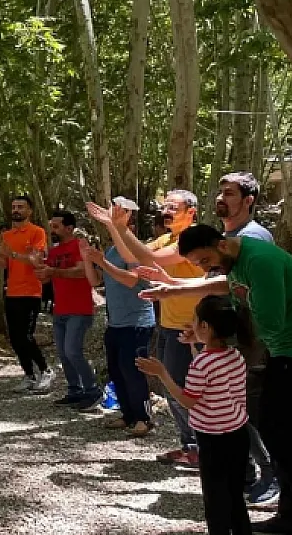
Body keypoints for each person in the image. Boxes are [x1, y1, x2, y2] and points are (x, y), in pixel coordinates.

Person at [141, 225, 292, 535]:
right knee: (279, 435)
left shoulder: (260, 261)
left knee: (281, 436)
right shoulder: (237, 261)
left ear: (222, 245)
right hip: (286, 352)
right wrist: (174, 290)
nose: (205, 268)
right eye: (199, 264)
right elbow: (227, 285)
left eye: (204, 259)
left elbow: (271, 324)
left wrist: (216, 337)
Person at [90, 190, 205, 468]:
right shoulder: (166, 239)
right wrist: (112, 226)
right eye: (164, 206)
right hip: (169, 325)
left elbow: (147, 259)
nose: (165, 211)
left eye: (172, 207)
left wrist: (117, 226)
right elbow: (132, 256)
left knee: (188, 390)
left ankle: (204, 448)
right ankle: (190, 447)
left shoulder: (194, 238)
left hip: (195, 329)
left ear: (191, 211)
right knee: (171, 388)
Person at [137, 296, 252, 535]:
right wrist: (196, 344)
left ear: (205, 327)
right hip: (238, 434)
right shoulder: (235, 356)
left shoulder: (203, 363)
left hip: (212, 438)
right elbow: (209, 376)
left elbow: (188, 400)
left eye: (195, 320)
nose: (190, 324)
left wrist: (162, 373)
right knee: (235, 497)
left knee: (215, 500)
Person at [216, 172, 279, 505]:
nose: (222, 198)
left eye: (230, 193)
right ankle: (248, 472)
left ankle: (273, 475)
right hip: (235, 334)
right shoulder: (228, 235)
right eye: (220, 192)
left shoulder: (254, 237)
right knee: (234, 406)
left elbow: (240, 288)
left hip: (256, 338)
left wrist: (173, 286)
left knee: (252, 409)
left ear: (248, 200)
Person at [79, 198, 155, 437]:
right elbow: (96, 281)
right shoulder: (112, 249)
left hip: (137, 321)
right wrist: (87, 259)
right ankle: (128, 414)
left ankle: (145, 418)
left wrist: (102, 262)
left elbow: (131, 279)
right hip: (116, 322)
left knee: (132, 370)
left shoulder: (134, 248)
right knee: (116, 369)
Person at [0, 195, 53, 392]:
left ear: (29, 211)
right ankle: (29, 375)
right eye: (14, 206)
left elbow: (36, 260)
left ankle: (46, 370)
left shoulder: (37, 232)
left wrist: (15, 255)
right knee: (15, 337)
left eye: (20, 207)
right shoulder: (7, 235)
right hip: (12, 291)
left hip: (31, 291)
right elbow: (4, 263)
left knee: (26, 335)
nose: (16, 210)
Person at [37, 210, 98, 406]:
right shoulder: (53, 251)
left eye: (56, 226)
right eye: (51, 226)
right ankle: (75, 389)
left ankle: (93, 390)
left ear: (69, 228)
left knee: (73, 351)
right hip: (60, 308)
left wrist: (54, 271)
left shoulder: (79, 245)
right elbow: (44, 276)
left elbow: (82, 271)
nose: (52, 229)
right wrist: (34, 262)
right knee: (63, 353)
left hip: (79, 308)